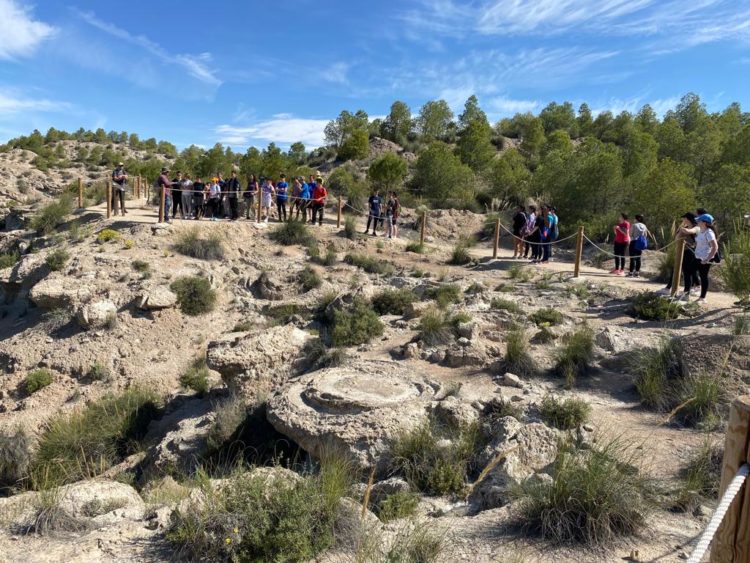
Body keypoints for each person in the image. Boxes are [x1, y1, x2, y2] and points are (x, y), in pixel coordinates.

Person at [658, 212, 700, 297]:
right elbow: (677, 238)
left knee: (688, 272)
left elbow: (689, 231)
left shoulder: (697, 227)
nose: (683, 220)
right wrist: (680, 230)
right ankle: (669, 288)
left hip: (691, 252)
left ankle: (686, 291)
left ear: (688, 219)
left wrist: (681, 230)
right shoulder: (684, 227)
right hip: (682, 251)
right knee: (676, 269)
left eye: (684, 218)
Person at [693, 213, 719, 304]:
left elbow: (715, 247)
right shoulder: (701, 230)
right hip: (697, 256)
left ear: (704, 222)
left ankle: (703, 297)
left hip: (705, 258)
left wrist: (707, 259)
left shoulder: (709, 233)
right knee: (691, 270)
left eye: (699, 220)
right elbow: (699, 242)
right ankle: (696, 288)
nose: (697, 221)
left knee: (703, 276)